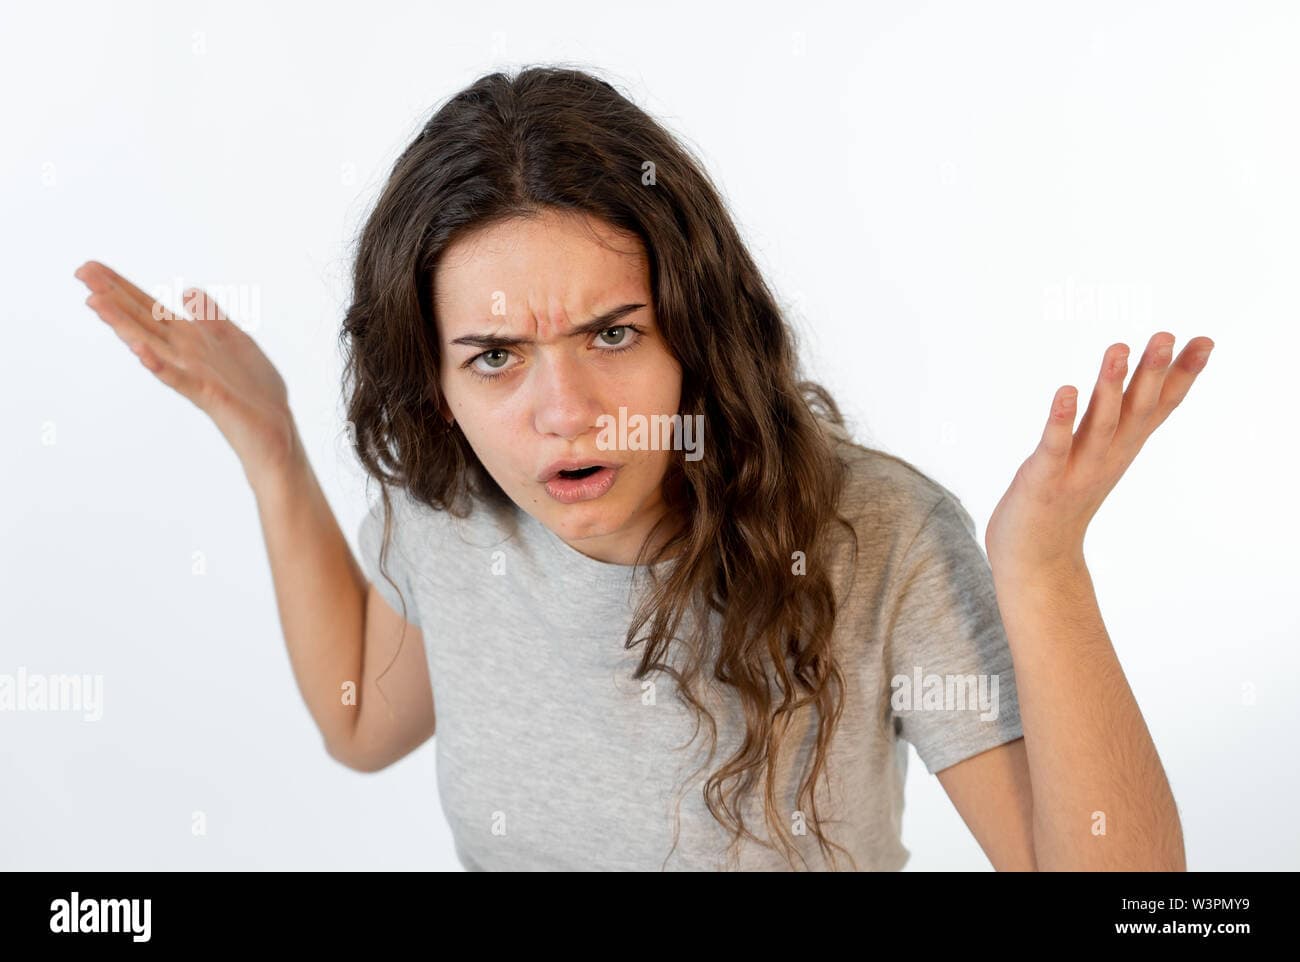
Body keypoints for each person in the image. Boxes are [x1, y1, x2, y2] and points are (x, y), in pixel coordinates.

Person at [76, 65, 1210, 871]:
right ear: (436, 378)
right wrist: (270, 444)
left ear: (695, 332)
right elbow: (361, 721)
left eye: (612, 334)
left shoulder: (880, 535)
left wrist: (1046, 565)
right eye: (495, 356)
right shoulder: (452, 500)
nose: (563, 414)